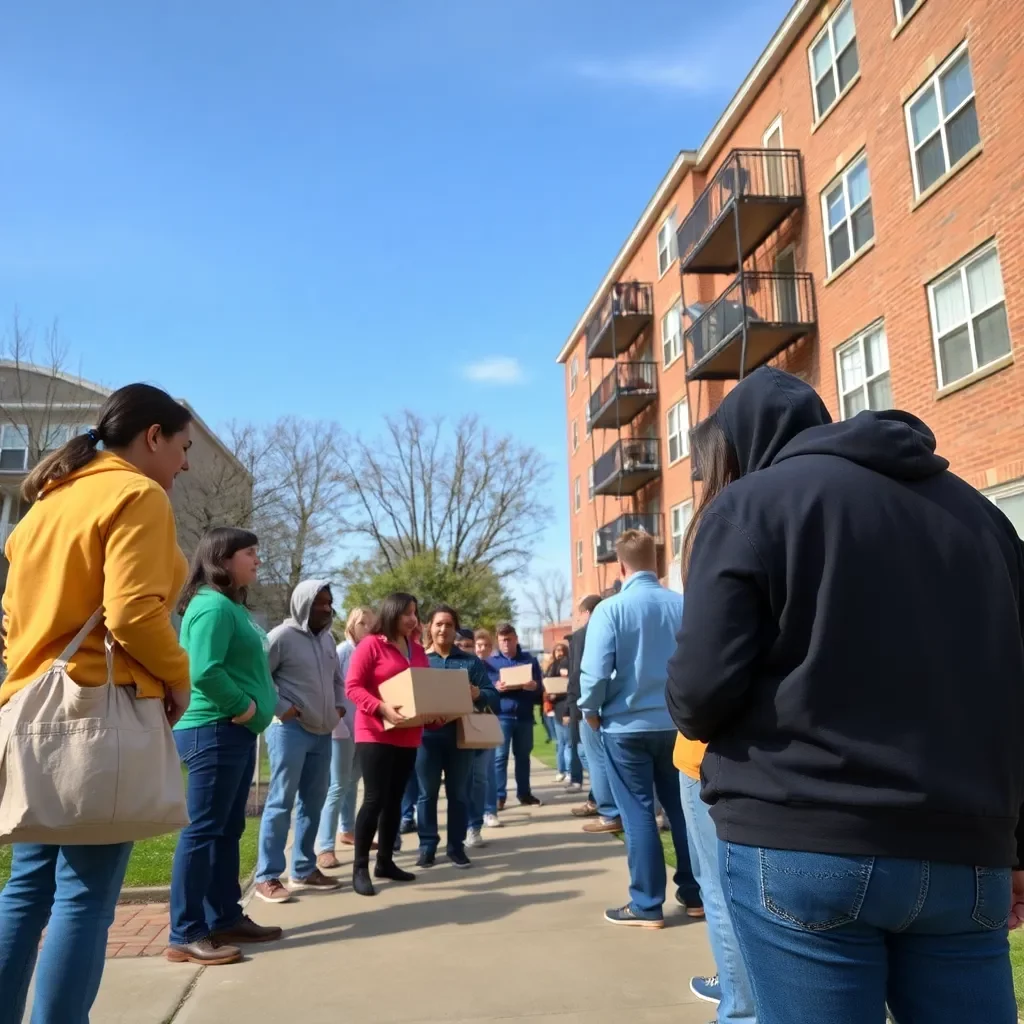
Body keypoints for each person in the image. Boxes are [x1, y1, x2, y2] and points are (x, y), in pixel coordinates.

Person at [666, 367, 1024, 1024]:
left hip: (802, 837)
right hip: (965, 849)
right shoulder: (982, 516)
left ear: (737, 446)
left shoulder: (749, 505)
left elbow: (698, 696)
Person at [0, 385, 193, 1024]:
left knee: (26, 891)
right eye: (183, 447)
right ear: (153, 437)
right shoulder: (137, 494)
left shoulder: (42, 508)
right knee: (85, 898)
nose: (185, 465)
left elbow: (11, 618)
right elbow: (133, 611)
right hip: (100, 714)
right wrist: (177, 676)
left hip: (34, 709)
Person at [167, 528, 281, 966]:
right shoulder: (211, 605)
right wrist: (248, 708)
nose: (257, 559)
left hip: (232, 732)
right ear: (223, 558)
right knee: (202, 832)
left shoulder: (231, 606)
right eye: (250, 552)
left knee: (226, 830)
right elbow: (204, 672)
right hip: (213, 729)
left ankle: (223, 917)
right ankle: (186, 932)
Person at [580, 529, 700, 928]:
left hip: (625, 726)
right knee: (682, 812)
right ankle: (694, 892)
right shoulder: (683, 605)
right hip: (677, 723)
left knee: (638, 814)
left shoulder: (610, 609)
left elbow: (596, 673)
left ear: (620, 565)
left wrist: (590, 710)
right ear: (657, 559)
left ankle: (647, 903)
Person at [254, 580, 344, 903]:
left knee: (314, 801)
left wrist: (339, 707)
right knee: (280, 802)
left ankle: (304, 869)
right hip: (289, 730)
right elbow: (259, 676)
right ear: (302, 602)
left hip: (323, 731)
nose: (325, 607)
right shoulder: (281, 637)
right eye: (318, 601)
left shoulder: (328, 640)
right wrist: (281, 708)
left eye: (329, 602)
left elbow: (337, 679)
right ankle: (267, 876)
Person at [345, 591, 426, 896]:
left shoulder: (417, 649)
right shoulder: (371, 645)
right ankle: (360, 868)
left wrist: (433, 712)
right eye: (406, 612)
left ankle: (386, 862)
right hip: (376, 731)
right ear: (391, 614)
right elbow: (352, 686)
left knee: (396, 799)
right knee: (374, 799)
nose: (412, 618)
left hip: (408, 733)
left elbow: (421, 689)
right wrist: (380, 707)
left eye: (415, 612)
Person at [416, 605, 497, 868]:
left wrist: (479, 694)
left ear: (455, 629)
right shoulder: (419, 660)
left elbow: (493, 695)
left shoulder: (469, 662)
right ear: (429, 627)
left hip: (460, 736)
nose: (443, 629)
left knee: (459, 794)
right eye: (438, 624)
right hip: (426, 738)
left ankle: (456, 847)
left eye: (449, 625)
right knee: (426, 794)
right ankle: (427, 846)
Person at [315, 606, 375, 867]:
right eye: (363, 623)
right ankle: (325, 847)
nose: (368, 628)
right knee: (338, 785)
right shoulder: (342, 651)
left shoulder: (369, 653)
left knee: (353, 781)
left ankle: (347, 830)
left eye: (372, 624)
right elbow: (330, 688)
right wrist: (336, 722)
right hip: (341, 729)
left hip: (364, 728)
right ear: (351, 625)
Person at [568, 595, 620, 830]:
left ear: (587, 613)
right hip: (617, 704)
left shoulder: (582, 635)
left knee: (595, 759)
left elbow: (581, 673)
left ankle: (608, 812)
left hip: (592, 705)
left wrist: (582, 708)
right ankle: (600, 802)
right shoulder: (617, 625)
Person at [486, 623, 544, 809]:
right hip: (502, 716)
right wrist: (496, 688)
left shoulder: (529, 660)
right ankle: (499, 796)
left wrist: (534, 686)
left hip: (524, 716)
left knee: (523, 756)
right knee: (500, 757)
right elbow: (484, 690)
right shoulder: (491, 662)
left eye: (509, 639)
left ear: (516, 639)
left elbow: (540, 688)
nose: (506, 643)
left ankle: (524, 794)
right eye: (502, 640)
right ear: (498, 640)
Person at [470, 628, 501, 835]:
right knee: (470, 774)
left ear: (491, 648)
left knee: (488, 769)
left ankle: (490, 811)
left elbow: (495, 696)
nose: (481, 648)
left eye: (486, 645)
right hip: (467, 720)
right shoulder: (468, 666)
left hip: (488, 719)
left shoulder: (494, 668)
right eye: (478, 645)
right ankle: (473, 816)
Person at [544, 642, 572, 781]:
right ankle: (564, 770)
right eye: (557, 650)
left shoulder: (561, 664)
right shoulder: (554, 666)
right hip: (555, 708)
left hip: (560, 708)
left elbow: (564, 687)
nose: (559, 653)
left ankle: (565, 770)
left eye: (562, 650)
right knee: (563, 742)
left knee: (564, 742)